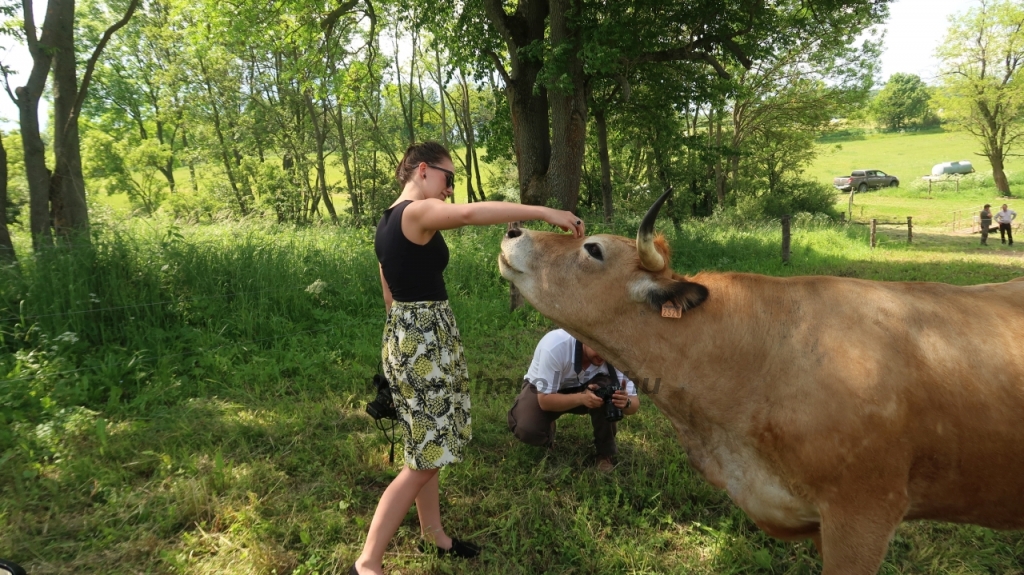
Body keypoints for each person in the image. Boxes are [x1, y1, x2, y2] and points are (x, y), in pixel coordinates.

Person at [352, 142, 585, 575]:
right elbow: (468, 215)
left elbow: (389, 291)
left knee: (427, 445)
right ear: (423, 170)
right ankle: (367, 563)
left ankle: (433, 534)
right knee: (424, 458)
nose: (449, 189)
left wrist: (396, 352)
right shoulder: (413, 213)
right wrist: (545, 213)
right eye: (448, 178)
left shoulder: (385, 221)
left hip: (411, 336)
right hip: (421, 343)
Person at [507, 328, 641, 473]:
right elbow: (544, 400)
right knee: (527, 428)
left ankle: (604, 452)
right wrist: (581, 398)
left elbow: (634, 404)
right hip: (544, 391)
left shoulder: (617, 357)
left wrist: (625, 402)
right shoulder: (555, 345)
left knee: (608, 389)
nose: (603, 357)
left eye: (608, 352)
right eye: (599, 350)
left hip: (589, 391)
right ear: (584, 338)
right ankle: (548, 429)